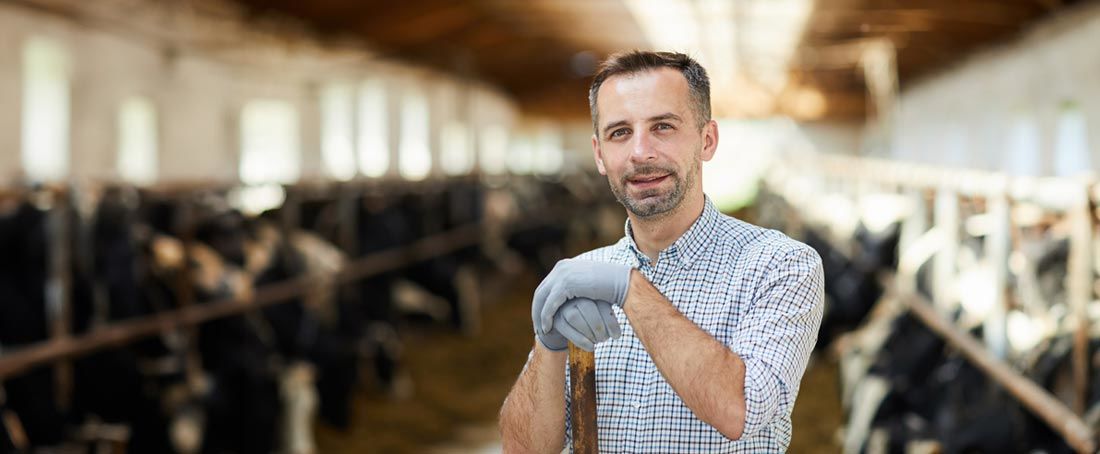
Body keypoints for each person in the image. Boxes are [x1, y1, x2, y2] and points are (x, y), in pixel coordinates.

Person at [498, 50, 824, 453]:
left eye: (663, 127)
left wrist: (630, 289)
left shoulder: (780, 264)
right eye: (620, 132)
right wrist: (548, 347)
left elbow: (742, 411)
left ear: (707, 140)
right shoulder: (582, 276)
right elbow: (523, 450)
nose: (640, 152)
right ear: (600, 155)